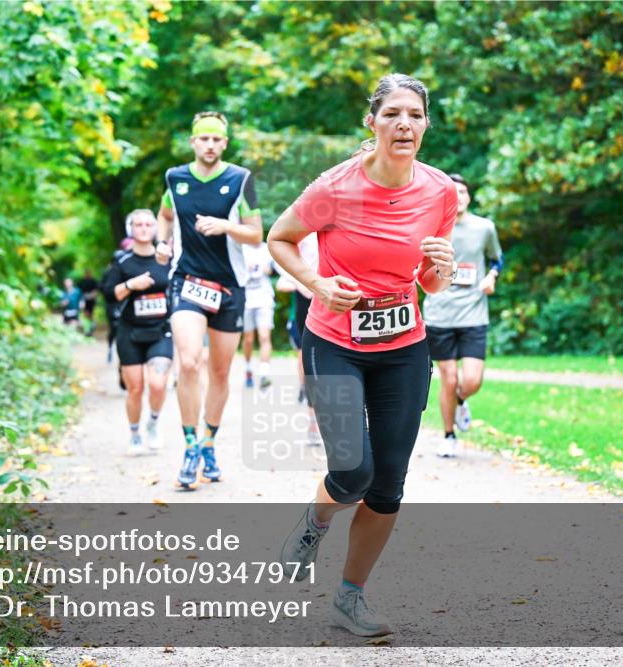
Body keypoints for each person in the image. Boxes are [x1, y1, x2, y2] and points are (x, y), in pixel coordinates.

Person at [267, 73, 457, 637]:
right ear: (370, 123)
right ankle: (315, 521)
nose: (405, 124)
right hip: (334, 341)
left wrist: (439, 271)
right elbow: (279, 237)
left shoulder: (440, 191)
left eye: (416, 115)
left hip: (404, 345)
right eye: (393, 113)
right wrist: (317, 284)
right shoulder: (335, 186)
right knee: (352, 471)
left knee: (388, 482)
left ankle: (350, 598)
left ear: (425, 124)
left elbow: (430, 282)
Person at [155, 111, 262, 488]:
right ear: (193, 141)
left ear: (225, 143)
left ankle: (209, 442)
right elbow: (165, 215)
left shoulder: (241, 179)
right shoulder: (175, 178)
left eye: (217, 139)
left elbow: (256, 234)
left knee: (219, 372)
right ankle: (189, 448)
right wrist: (160, 241)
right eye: (204, 139)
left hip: (229, 287)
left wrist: (227, 226)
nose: (211, 145)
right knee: (188, 362)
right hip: (187, 281)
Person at [423, 174, 503, 458]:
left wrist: (492, 276)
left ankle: (458, 402)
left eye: (463, 191)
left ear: (469, 197)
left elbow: (497, 259)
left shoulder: (484, 228)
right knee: (448, 377)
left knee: (471, 380)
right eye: (452, 192)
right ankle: (448, 435)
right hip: (439, 315)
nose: (459, 196)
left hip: (473, 314)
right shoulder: (431, 229)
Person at [101, 210, 173, 455]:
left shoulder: (167, 260)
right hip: (130, 332)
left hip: (161, 330)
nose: (143, 228)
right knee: (135, 388)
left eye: (148, 224)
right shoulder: (122, 262)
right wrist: (132, 284)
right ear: (130, 228)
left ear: (155, 228)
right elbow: (109, 294)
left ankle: (152, 423)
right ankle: (134, 434)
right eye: (138, 224)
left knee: (158, 384)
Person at [274, 233, 322, 444]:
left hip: (333, 296)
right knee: (308, 362)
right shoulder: (303, 230)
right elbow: (281, 265)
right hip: (306, 304)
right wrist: (301, 283)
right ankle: (313, 426)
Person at [241, 241, 276, 390]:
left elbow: (278, 267)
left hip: (264, 298)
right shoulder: (241, 247)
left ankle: (263, 375)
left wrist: (270, 269)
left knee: (264, 336)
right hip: (246, 299)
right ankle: (248, 369)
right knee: (248, 339)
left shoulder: (267, 248)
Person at [77, 269, 100, 336]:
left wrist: (92, 295)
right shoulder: (81, 282)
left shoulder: (93, 281)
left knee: (90, 314)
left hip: (91, 300)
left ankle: (90, 328)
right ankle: (87, 329)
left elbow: (96, 290)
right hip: (84, 299)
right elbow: (79, 291)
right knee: (85, 314)